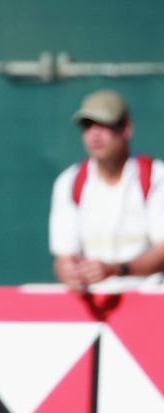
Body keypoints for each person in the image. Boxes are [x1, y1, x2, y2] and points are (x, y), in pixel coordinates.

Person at [49, 89, 164, 294]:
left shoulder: (156, 177)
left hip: (150, 301)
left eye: (104, 125)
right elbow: (63, 258)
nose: (94, 134)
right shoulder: (69, 182)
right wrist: (68, 272)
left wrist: (117, 270)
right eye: (87, 126)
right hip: (91, 305)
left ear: (126, 128)